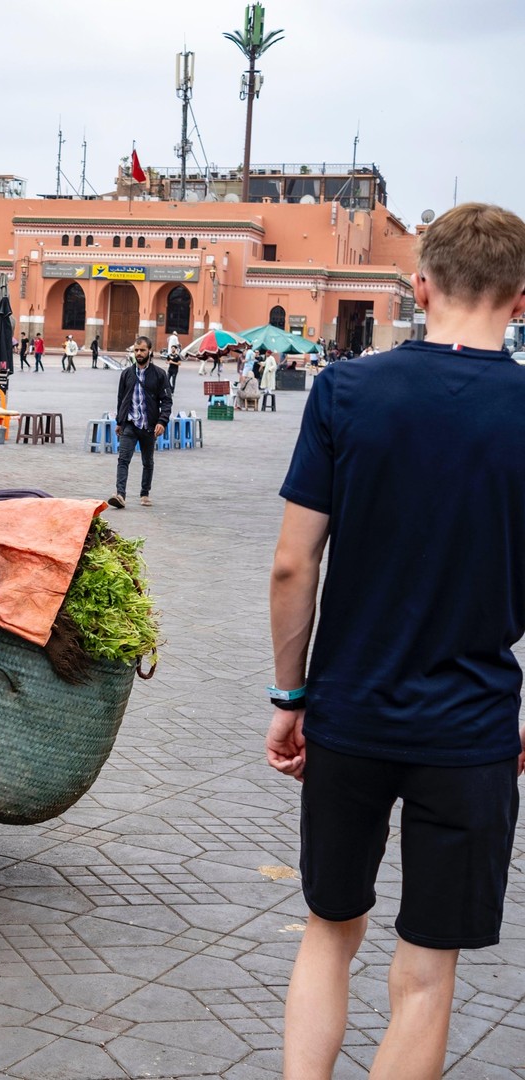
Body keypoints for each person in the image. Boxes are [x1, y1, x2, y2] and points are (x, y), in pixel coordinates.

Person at [267, 202, 525, 1080]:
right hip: (474, 730)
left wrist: (290, 696)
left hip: (350, 714)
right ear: (520, 299)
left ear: (420, 286)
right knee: (428, 971)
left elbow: (293, 566)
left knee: (329, 934)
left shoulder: (347, 390)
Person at [107, 336, 172, 509]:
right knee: (123, 459)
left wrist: (162, 421)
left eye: (142, 350)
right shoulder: (127, 374)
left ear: (150, 351)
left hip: (149, 427)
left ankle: (144, 493)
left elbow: (166, 400)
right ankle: (120, 494)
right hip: (130, 425)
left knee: (147, 461)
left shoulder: (159, 374)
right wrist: (119, 422)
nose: (139, 353)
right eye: (136, 350)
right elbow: (121, 399)